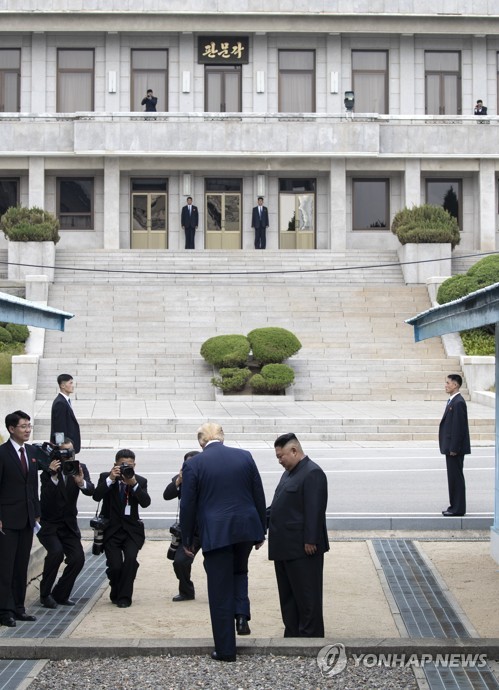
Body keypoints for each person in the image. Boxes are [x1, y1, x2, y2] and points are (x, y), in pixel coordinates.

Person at [180, 423, 266, 662]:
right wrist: (261, 530)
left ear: (201, 442)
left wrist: (187, 538)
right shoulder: (244, 456)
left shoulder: (194, 464)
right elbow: (258, 494)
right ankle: (241, 613)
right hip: (246, 527)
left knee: (219, 590)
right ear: (222, 437)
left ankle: (226, 649)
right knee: (240, 571)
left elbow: (187, 505)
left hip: (216, 530)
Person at [268, 432, 329, 638]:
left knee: (307, 597)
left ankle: (310, 637)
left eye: (280, 456)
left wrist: (311, 539)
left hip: (303, 548)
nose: (279, 461)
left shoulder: (312, 472)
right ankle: (292, 634)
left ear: (294, 451)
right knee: (288, 597)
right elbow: (277, 507)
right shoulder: (289, 473)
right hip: (284, 547)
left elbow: (315, 509)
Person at [37, 437, 94, 609]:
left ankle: (60, 594)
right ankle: (45, 594)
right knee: (56, 553)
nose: (68, 456)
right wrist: (53, 476)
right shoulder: (48, 471)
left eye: (71, 452)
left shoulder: (79, 468)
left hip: (68, 525)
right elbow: (45, 500)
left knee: (77, 558)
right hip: (49, 524)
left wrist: (81, 482)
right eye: (64, 452)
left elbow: (90, 490)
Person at [92, 449, 151, 608]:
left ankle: (125, 597)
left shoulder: (140, 480)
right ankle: (115, 588)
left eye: (129, 466)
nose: (126, 469)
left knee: (131, 560)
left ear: (134, 465)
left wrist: (134, 485)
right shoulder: (106, 477)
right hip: (111, 530)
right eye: (122, 465)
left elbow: (146, 503)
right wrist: (111, 479)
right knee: (115, 566)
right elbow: (96, 496)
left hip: (132, 531)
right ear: (115, 465)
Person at [0, 410, 40, 627]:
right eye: (23, 426)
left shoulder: (31, 452)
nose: (27, 430)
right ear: (11, 429)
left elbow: (33, 485)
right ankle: (4, 611)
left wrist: (36, 511)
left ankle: (19, 607)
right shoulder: (2, 453)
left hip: (27, 518)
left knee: (21, 565)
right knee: (5, 567)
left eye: (29, 426)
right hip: (7, 520)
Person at [163, 450, 201, 602]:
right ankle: (186, 591)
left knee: (214, 563)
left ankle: (219, 592)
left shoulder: (210, 478)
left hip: (210, 528)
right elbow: (167, 495)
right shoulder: (181, 479)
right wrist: (179, 480)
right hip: (191, 531)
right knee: (180, 562)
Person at [439, 374, 470, 517]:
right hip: (451, 447)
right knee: (453, 478)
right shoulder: (453, 401)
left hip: (454, 449)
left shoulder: (458, 402)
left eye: (448, 383)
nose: (446, 385)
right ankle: (454, 506)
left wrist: (454, 448)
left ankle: (457, 509)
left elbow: (459, 427)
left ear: (455, 385)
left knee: (456, 478)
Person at [51, 374, 81, 455]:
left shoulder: (64, 401)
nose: (73, 385)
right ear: (63, 385)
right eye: (70, 383)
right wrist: (62, 448)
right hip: (65, 447)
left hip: (69, 445)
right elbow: (59, 428)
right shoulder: (60, 403)